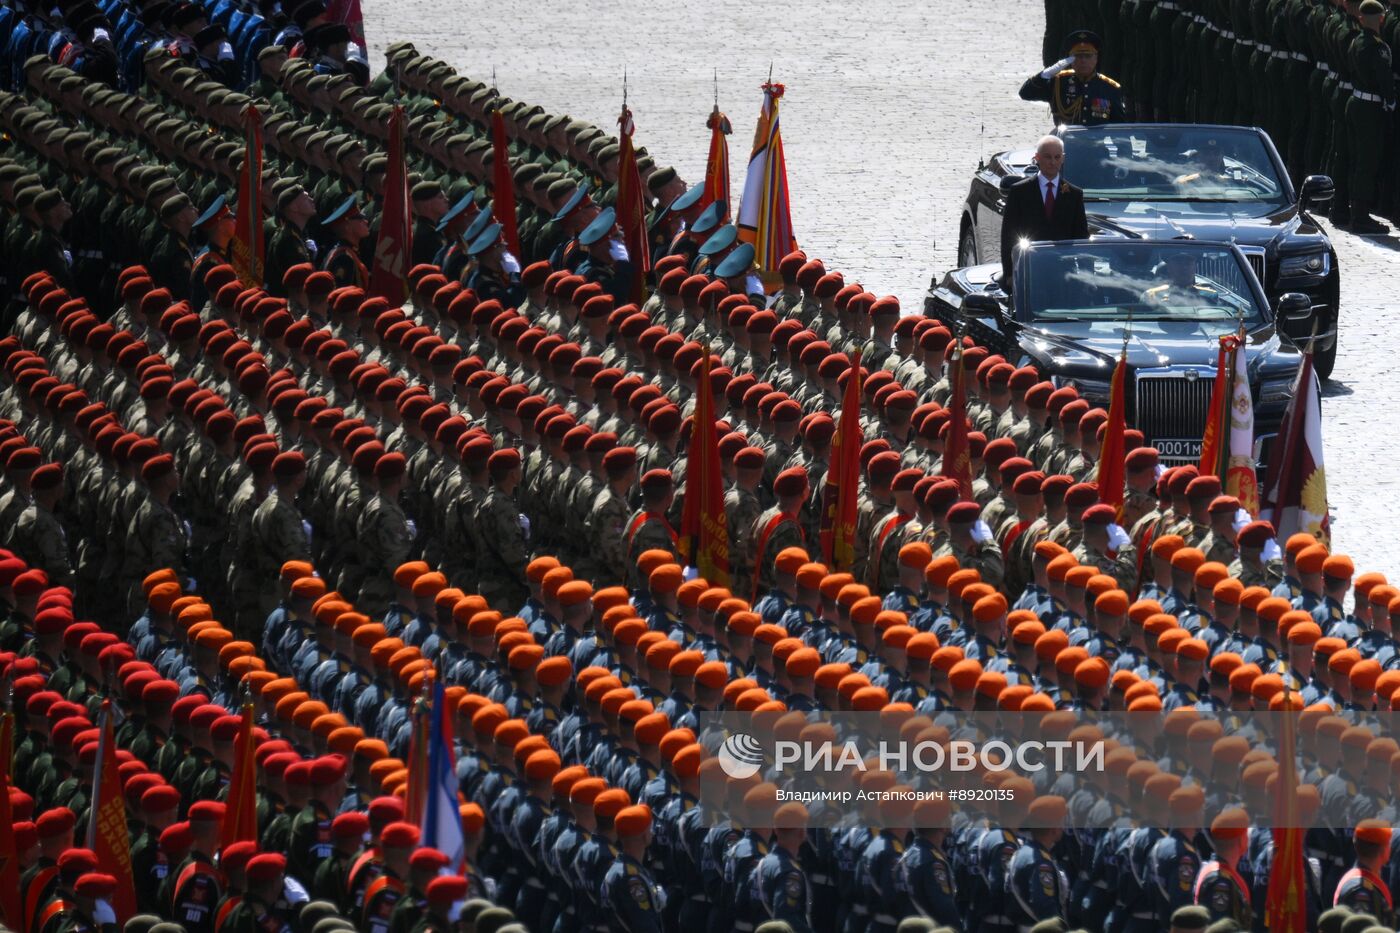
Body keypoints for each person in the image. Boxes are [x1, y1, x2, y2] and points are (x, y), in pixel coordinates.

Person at [998, 136, 1089, 288]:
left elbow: (1081, 239)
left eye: (1057, 157)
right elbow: (1008, 235)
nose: (1052, 162)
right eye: (1047, 157)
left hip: (1063, 274)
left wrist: (1086, 276)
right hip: (1029, 270)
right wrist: (1009, 273)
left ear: (1063, 159)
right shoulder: (1020, 191)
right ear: (1037, 158)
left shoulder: (1074, 195)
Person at [1019, 30, 1126, 127]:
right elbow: (1025, 94)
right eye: (1078, 56)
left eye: (1088, 56)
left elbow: (1119, 126)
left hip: (1098, 141)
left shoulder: (1109, 87)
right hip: (1066, 141)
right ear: (1070, 59)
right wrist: (1044, 75)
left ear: (1096, 58)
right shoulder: (1058, 82)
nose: (1083, 60)